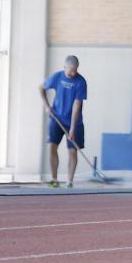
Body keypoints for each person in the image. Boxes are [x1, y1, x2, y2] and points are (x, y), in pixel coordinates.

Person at [39, 55, 87, 188]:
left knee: (72, 151)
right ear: (64, 67)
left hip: (74, 121)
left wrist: (72, 129)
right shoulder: (57, 77)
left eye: (75, 70)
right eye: (70, 70)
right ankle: (54, 179)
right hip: (56, 118)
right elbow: (41, 88)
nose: (73, 73)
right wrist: (47, 106)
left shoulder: (81, 82)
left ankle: (69, 181)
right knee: (52, 147)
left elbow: (77, 106)